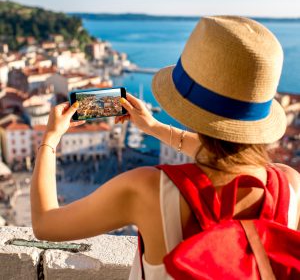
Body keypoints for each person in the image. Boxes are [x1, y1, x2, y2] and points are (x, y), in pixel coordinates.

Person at [30, 16, 300, 279]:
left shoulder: (147, 189)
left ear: (188, 105)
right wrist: (153, 127)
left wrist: (50, 138)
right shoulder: (290, 185)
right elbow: (229, 160)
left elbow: (46, 224)